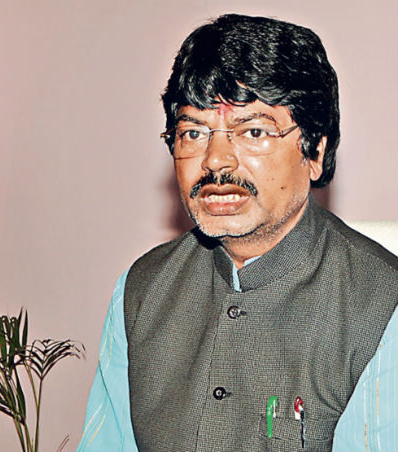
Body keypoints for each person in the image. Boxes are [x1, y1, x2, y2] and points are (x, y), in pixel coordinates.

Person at [77, 14, 398, 452]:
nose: (215, 160)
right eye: (193, 132)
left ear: (315, 151)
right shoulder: (140, 292)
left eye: (253, 131)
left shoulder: (381, 306)